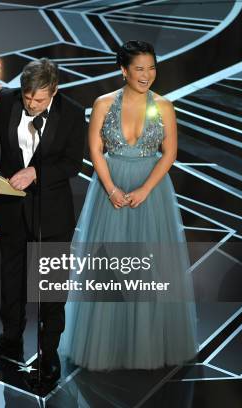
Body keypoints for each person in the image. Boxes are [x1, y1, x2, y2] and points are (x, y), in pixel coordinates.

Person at [60, 40, 197, 370]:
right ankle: (111, 345)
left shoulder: (164, 106)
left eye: (151, 68)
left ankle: (147, 345)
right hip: (112, 189)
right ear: (123, 70)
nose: (147, 75)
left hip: (152, 193)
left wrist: (146, 189)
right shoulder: (104, 103)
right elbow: (94, 150)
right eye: (139, 68)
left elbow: (170, 153)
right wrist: (111, 188)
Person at [0, 58, 86, 389]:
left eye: (38, 100)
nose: (31, 104)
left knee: (50, 287)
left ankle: (48, 353)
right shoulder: (8, 99)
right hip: (10, 209)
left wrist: (36, 172)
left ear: (54, 90)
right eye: (27, 98)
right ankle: (9, 340)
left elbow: (71, 163)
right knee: (11, 282)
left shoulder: (73, 112)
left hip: (51, 214)